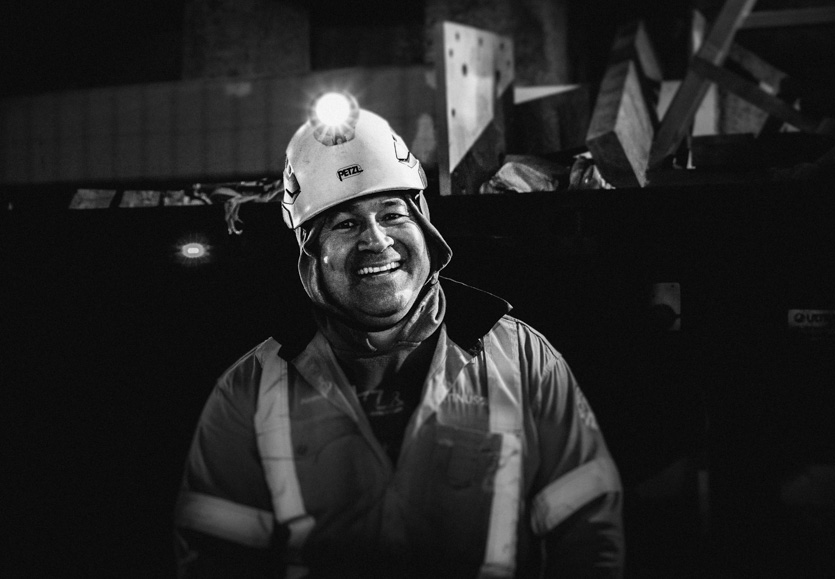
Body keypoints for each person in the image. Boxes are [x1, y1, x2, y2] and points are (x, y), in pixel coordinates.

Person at [174, 92, 625, 578]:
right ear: (310, 254)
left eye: (392, 214)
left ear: (425, 228)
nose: (377, 240)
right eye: (346, 224)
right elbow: (214, 559)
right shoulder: (251, 387)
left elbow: (587, 530)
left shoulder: (521, 358)